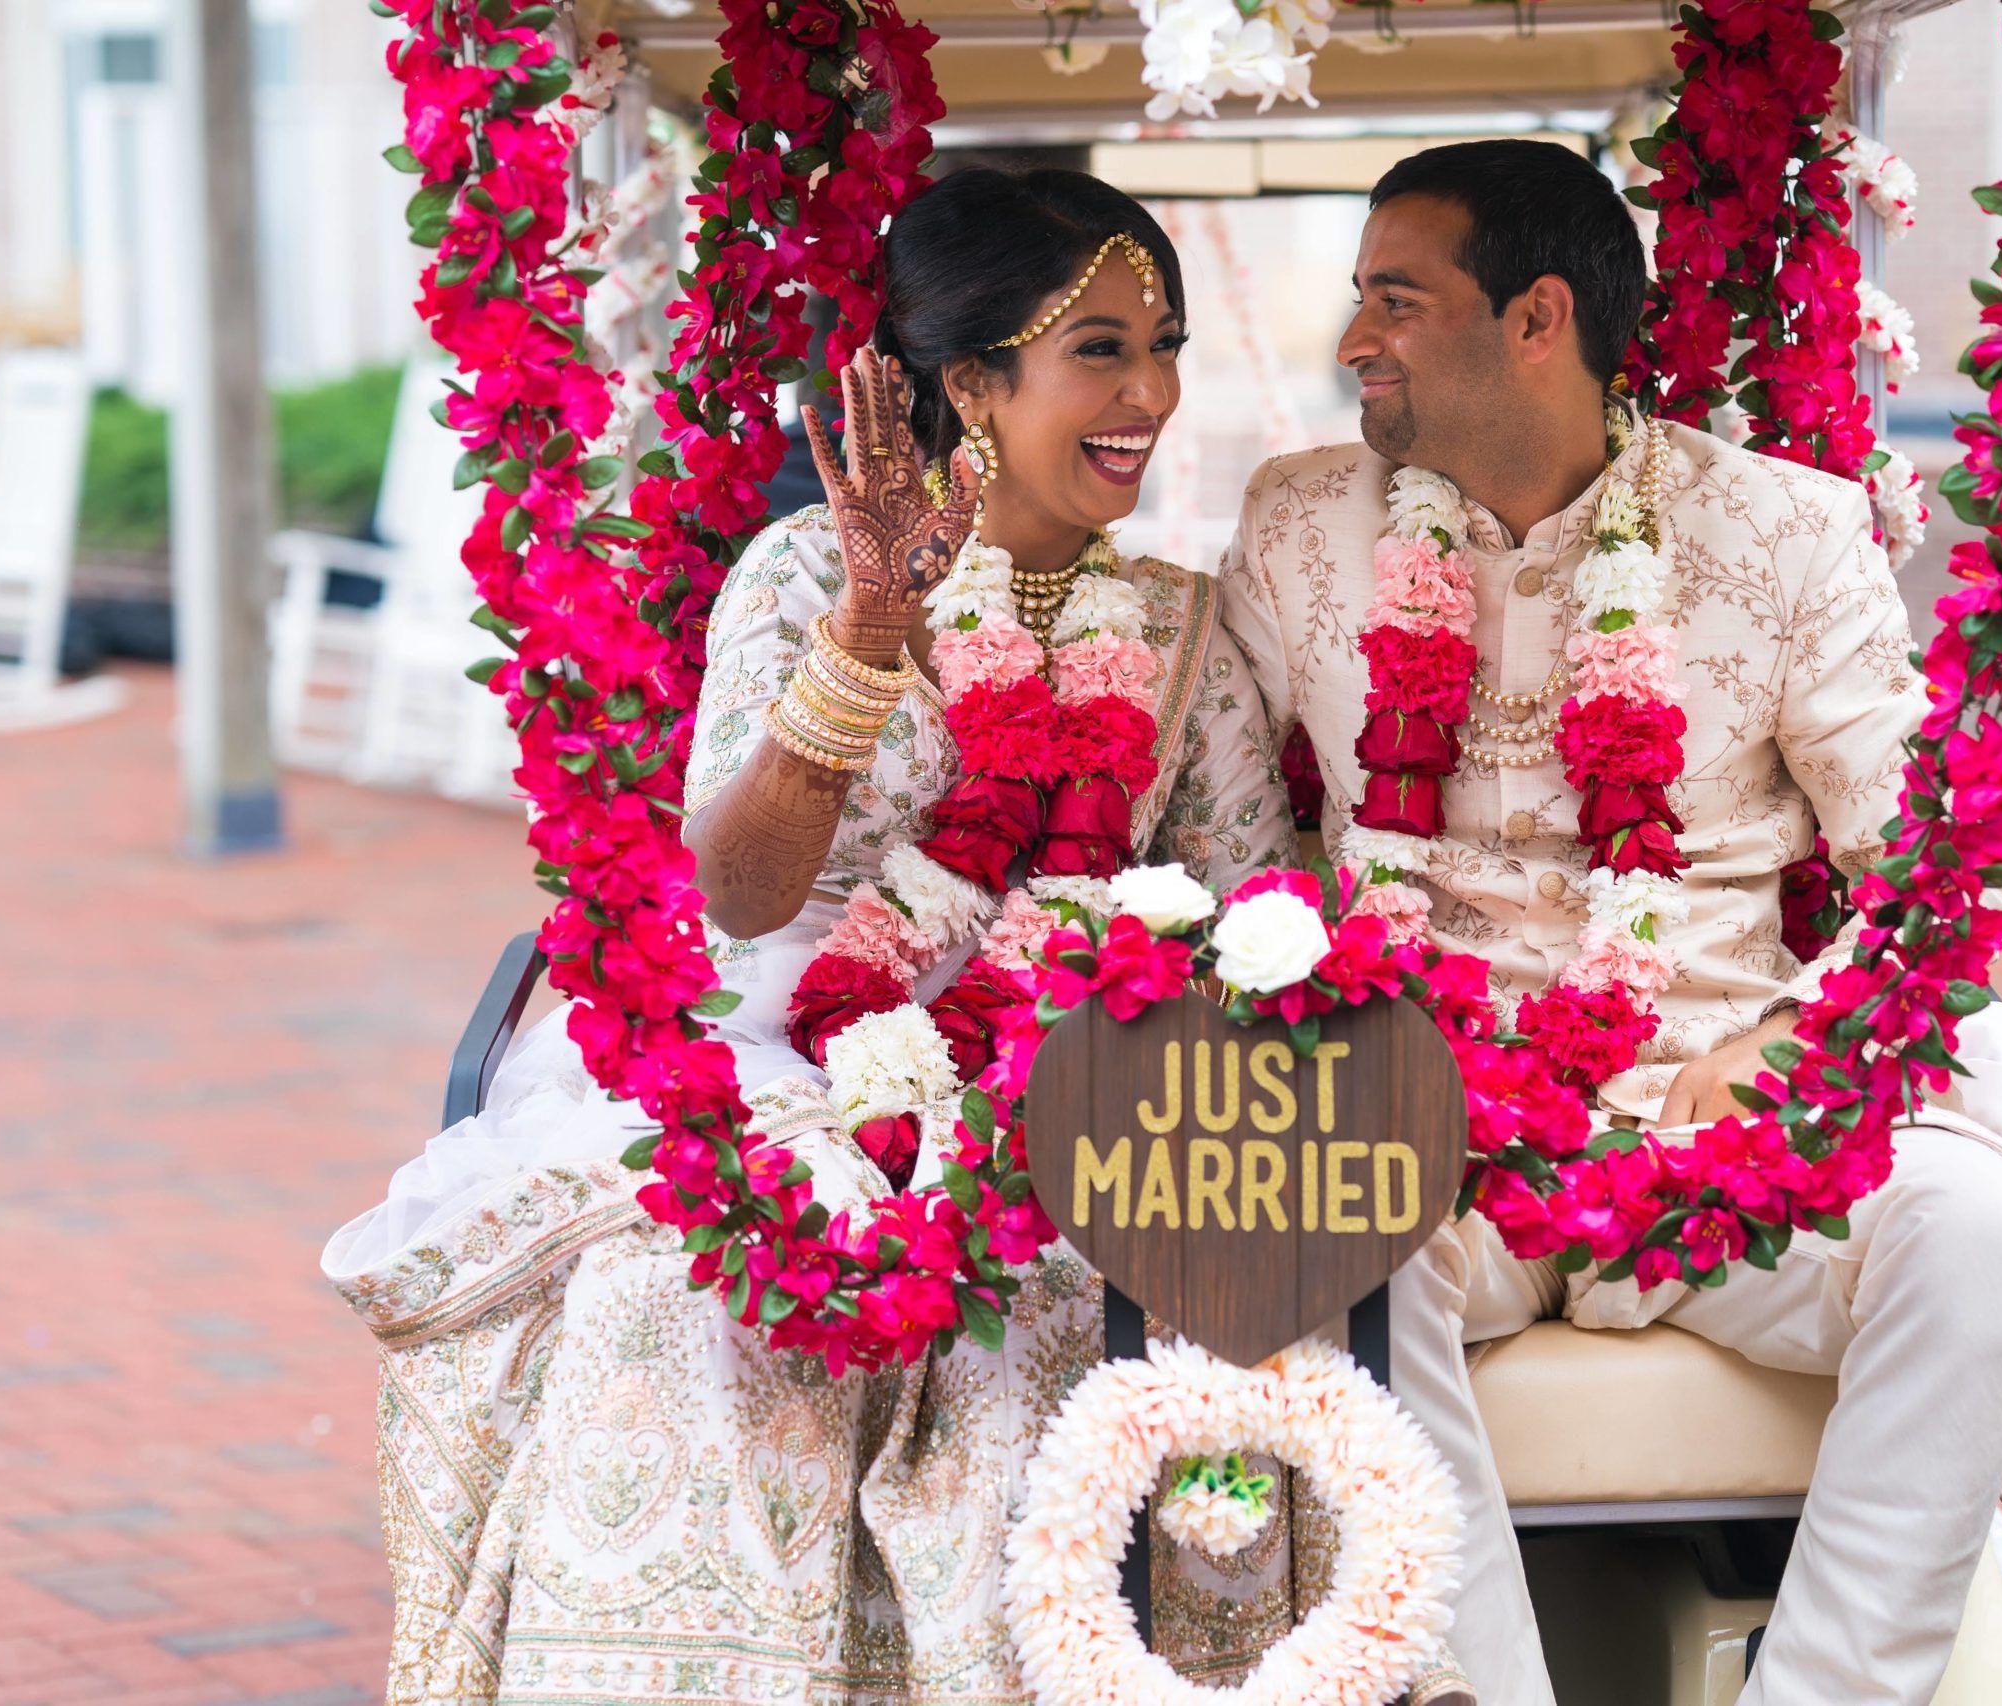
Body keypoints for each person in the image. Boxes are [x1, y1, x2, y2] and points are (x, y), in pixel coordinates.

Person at [325, 168, 1324, 1706]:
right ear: (972, 384)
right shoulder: (803, 573)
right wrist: (867, 630)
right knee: (697, 1284)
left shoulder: (1179, 623)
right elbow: (736, 895)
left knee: (1055, 1294)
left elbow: (1259, 913)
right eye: (1104, 351)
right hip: (779, 1032)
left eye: (1166, 348)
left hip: (1066, 1055)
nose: (1153, 394)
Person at [1217, 139, 2002, 1706]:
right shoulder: (1300, 526)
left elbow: (1928, 872)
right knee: (1311, 1225)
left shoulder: (1784, 532)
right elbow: (1230, 842)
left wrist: (1788, 1041)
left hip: (1711, 1122)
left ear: (1537, 319)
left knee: (1978, 1225)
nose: (1354, 338)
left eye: (1397, 299)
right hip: (1434, 1132)